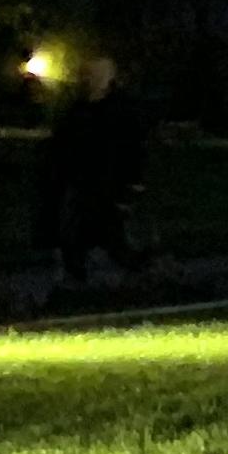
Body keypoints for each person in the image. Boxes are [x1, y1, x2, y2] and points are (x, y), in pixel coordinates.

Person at [37, 55, 154, 284]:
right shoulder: (78, 109)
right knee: (71, 234)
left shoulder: (121, 109)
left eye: (99, 73)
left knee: (114, 237)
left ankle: (141, 275)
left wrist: (133, 183)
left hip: (110, 183)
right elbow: (62, 143)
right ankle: (77, 279)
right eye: (90, 73)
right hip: (80, 181)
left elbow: (134, 147)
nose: (92, 78)